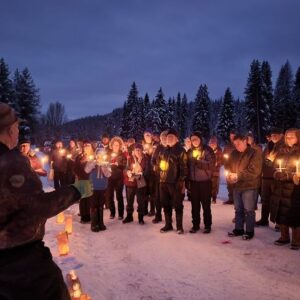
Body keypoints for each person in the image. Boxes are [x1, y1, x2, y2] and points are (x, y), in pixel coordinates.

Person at [0, 102, 90, 300]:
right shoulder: (10, 162)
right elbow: (36, 206)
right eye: (16, 128)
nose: (18, 133)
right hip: (19, 259)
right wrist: (76, 191)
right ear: (8, 130)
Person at [227, 133, 262, 240]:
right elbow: (229, 166)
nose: (237, 146)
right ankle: (239, 229)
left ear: (245, 141)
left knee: (249, 209)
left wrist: (238, 176)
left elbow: (254, 171)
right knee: (238, 209)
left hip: (249, 186)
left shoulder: (254, 153)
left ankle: (249, 231)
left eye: (238, 144)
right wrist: (229, 175)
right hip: (237, 186)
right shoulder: (233, 153)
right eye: (235, 144)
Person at [270, 128, 300, 246]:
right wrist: (276, 173)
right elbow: (274, 166)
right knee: (281, 212)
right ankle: (284, 236)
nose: (288, 139)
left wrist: (289, 176)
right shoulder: (281, 151)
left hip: (295, 189)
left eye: (292, 136)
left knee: (295, 214)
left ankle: (296, 240)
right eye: (287, 137)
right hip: (280, 188)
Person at [156, 129, 188, 234]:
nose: (169, 139)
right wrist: (158, 169)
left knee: (177, 204)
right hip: (163, 181)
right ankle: (168, 224)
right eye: (168, 137)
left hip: (175, 182)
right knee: (165, 204)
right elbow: (158, 163)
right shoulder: (163, 150)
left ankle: (179, 227)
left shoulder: (181, 151)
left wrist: (181, 180)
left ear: (176, 139)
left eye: (171, 137)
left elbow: (184, 167)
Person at [188, 132, 216, 234]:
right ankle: (195, 225)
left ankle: (207, 225)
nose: (194, 141)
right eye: (192, 140)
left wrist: (199, 163)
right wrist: (187, 181)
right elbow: (187, 167)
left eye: (196, 139)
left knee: (206, 205)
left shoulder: (207, 150)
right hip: (194, 182)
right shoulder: (189, 152)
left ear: (200, 139)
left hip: (205, 182)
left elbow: (211, 165)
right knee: (194, 205)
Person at [256, 128, 284, 226]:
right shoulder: (269, 145)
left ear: (281, 135)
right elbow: (264, 160)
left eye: (276, 135)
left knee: (276, 200)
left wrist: (269, 162)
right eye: (272, 135)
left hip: (276, 177)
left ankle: (279, 222)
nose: (273, 137)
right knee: (265, 199)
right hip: (265, 176)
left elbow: (278, 161)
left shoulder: (283, 146)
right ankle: (264, 219)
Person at [85, 147, 112, 232]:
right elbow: (86, 170)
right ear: (96, 155)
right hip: (93, 187)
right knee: (93, 205)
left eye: (102, 154)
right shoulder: (91, 162)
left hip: (102, 188)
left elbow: (108, 175)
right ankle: (94, 224)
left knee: (100, 205)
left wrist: (104, 167)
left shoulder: (107, 164)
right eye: (98, 154)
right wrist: (92, 164)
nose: (100, 156)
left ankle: (101, 223)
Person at [123, 143, 149, 224]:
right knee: (129, 200)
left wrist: (142, 173)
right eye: (136, 150)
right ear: (133, 151)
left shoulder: (145, 159)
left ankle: (140, 217)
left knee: (140, 201)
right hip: (131, 183)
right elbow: (125, 169)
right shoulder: (130, 159)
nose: (137, 151)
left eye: (139, 150)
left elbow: (147, 171)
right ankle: (129, 216)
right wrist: (128, 172)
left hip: (140, 182)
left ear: (142, 151)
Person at [74, 140, 94, 223]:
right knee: (83, 198)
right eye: (85, 146)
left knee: (89, 199)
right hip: (82, 179)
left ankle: (89, 215)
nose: (86, 147)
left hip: (91, 180)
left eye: (88, 146)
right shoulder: (79, 157)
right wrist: (81, 166)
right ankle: (83, 216)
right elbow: (75, 168)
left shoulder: (94, 156)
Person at [107, 136, 126, 220]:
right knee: (110, 196)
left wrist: (119, 165)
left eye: (117, 145)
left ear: (120, 145)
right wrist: (109, 165)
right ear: (112, 145)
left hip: (119, 178)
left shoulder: (122, 155)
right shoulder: (108, 154)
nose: (116, 146)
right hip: (109, 178)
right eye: (114, 145)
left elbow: (125, 165)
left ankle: (121, 214)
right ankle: (112, 212)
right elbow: (105, 163)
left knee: (119, 196)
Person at [151, 130, 168, 223]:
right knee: (157, 197)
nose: (164, 140)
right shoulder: (158, 148)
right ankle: (158, 215)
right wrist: (154, 165)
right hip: (158, 176)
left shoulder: (170, 148)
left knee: (166, 197)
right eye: (162, 138)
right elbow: (153, 160)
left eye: (165, 138)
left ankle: (167, 216)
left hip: (168, 177)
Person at [142, 129, 157, 217]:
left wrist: (151, 154)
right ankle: (145, 209)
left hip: (152, 173)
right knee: (145, 192)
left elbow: (156, 158)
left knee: (152, 192)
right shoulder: (142, 145)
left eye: (149, 135)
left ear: (151, 136)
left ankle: (152, 209)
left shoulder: (155, 145)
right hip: (144, 173)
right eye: (146, 135)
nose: (147, 136)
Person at [223, 129, 236, 204]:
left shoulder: (238, 144)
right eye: (231, 136)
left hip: (236, 167)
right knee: (229, 184)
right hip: (228, 167)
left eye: (233, 136)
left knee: (236, 184)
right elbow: (224, 156)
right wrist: (225, 163)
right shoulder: (227, 146)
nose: (232, 137)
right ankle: (231, 198)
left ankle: (237, 199)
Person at [208, 136, 223, 204]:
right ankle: (208, 196)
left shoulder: (219, 150)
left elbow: (221, 160)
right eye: (211, 143)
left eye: (214, 143)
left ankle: (214, 198)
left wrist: (218, 163)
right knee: (208, 184)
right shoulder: (207, 150)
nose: (212, 144)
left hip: (215, 171)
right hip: (207, 171)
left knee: (214, 185)